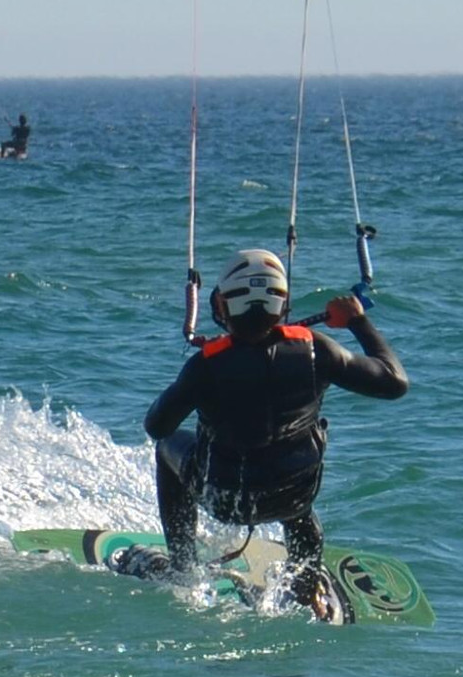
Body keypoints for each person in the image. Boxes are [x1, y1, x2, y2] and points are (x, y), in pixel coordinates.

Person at [125, 248, 408, 616]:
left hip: (224, 498)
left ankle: (182, 568)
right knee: (298, 500)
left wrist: (193, 383)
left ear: (222, 306)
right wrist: (357, 321)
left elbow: (157, 426)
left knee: (167, 447)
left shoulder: (205, 367)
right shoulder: (318, 351)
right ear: (283, 305)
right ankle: (306, 591)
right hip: (292, 495)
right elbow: (394, 382)